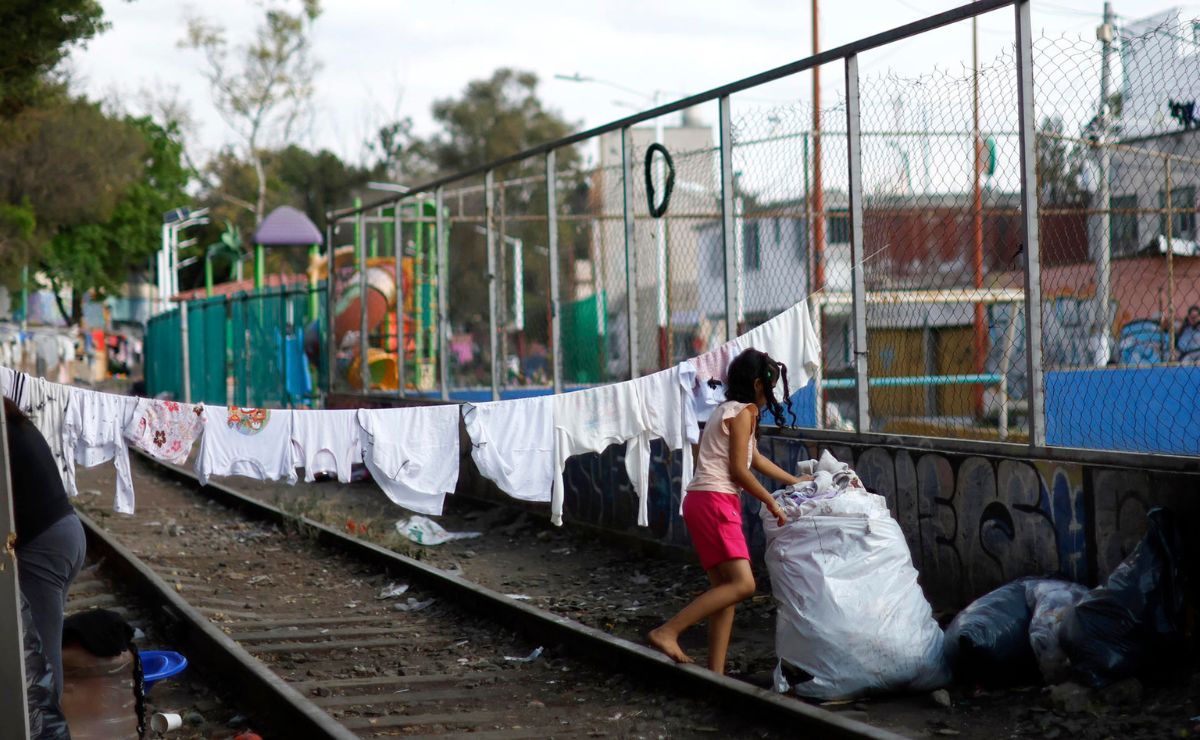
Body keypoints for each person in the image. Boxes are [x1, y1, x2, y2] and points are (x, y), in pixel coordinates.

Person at [648, 348, 808, 674]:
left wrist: (794, 481)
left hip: (700, 501)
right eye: (770, 387)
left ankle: (715, 674)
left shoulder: (726, 410)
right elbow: (739, 470)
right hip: (716, 501)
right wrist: (771, 500)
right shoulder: (744, 412)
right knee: (744, 585)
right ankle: (668, 631)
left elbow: (754, 459)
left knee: (726, 591)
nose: (771, 396)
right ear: (758, 385)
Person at [5, 397, 87, 701]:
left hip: (45, 548)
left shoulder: (4, 432)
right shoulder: (15, 423)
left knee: (42, 657)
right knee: (38, 646)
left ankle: (47, 729)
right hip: (66, 535)